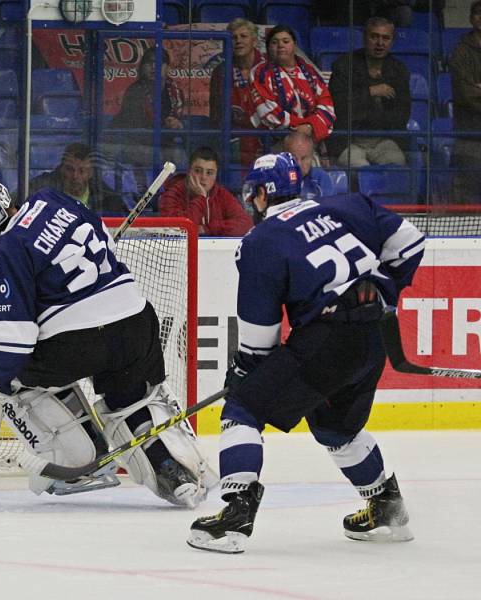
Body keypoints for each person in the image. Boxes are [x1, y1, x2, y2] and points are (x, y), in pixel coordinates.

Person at [0, 175, 218, 507]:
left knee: (10, 380)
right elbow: (103, 238)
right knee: (131, 400)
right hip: (136, 322)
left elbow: (14, 341)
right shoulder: (52, 199)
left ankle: (78, 462)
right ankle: (177, 470)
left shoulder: (3, 253)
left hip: (77, 342)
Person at [187, 152, 424, 553]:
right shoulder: (348, 204)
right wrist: (381, 290)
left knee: (243, 410)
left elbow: (260, 337)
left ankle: (235, 515)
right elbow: (411, 241)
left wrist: (244, 373)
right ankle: (386, 507)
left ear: (261, 194)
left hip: (326, 341)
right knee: (336, 428)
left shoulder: (260, 241)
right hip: (374, 338)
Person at [328, 17, 410, 169]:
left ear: (392, 41)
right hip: (349, 140)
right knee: (359, 168)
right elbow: (338, 106)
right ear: (364, 37)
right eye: (374, 36)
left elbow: (402, 113)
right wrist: (371, 92)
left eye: (386, 38)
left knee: (396, 165)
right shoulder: (344, 65)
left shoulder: (398, 70)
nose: (380, 43)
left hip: (384, 140)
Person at [250, 26, 335, 147]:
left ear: (294, 45)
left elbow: (326, 104)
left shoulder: (310, 72)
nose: (280, 45)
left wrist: (310, 127)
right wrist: (302, 128)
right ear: (268, 48)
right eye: (274, 42)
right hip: (277, 142)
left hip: (311, 140)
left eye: (286, 41)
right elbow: (268, 111)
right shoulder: (260, 73)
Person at [159, 146, 252, 236]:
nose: (203, 177)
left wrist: (206, 229)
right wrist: (200, 198)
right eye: (198, 171)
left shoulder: (221, 194)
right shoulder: (172, 194)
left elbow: (246, 224)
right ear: (189, 171)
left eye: (209, 173)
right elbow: (177, 228)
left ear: (216, 175)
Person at [209, 18, 264, 166]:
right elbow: (216, 114)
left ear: (254, 40)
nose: (238, 41)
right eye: (234, 37)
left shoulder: (268, 69)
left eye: (243, 36)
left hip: (265, 139)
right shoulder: (221, 71)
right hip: (232, 140)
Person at [28, 143, 125, 214]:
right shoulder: (41, 188)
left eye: (82, 171)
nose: (75, 176)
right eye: (69, 169)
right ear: (61, 168)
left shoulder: (106, 197)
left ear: (90, 173)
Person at [448, 0, 481, 204]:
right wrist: (474, 89)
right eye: (478, 13)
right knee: (469, 190)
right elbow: (464, 93)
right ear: (470, 18)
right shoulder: (460, 51)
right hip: (469, 132)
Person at [110, 45, 184, 131]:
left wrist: (176, 124)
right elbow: (133, 127)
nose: (154, 66)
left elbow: (177, 120)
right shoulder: (134, 91)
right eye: (149, 62)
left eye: (159, 62)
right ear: (142, 67)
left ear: (168, 68)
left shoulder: (176, 92)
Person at [283, 131, 336, 200]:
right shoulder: (275, 178)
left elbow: (328, 208)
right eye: (294, 158)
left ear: (312, 158)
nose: (298, 164)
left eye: (303, 158)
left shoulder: (321, 178)